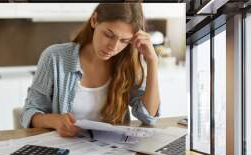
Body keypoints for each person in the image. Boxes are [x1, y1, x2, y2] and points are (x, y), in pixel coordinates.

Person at [20, 3, 160, 137]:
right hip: (65, 150)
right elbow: (29, 113)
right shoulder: (55, 57)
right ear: (94, 20)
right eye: (109, 35)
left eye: (124, 41)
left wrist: (152, 61)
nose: (113, 46)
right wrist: (55, 121)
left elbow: (148, 117)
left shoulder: (128, 64)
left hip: (112, 152)